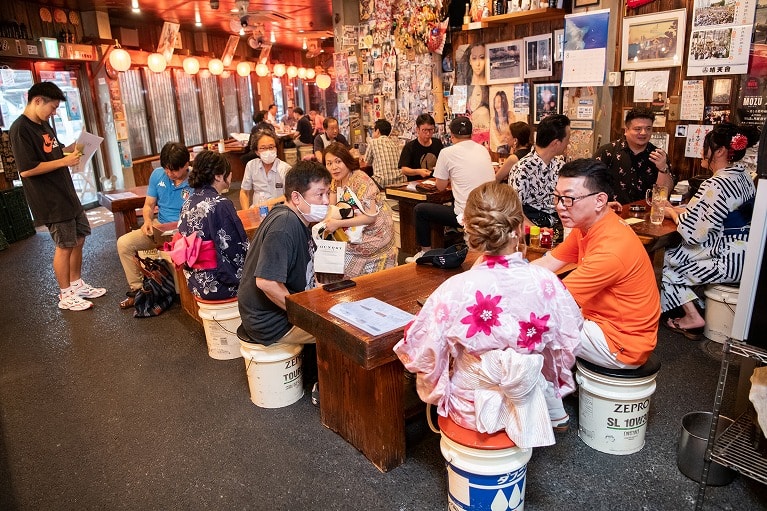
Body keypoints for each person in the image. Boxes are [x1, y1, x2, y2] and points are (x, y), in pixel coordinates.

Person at [394, 182, 583, 443]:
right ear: (519, 228)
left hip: (469, 408)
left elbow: (424, 354)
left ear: (470, 230)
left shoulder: (455, 289)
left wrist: (439, 388)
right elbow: (568, 340)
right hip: (526, 400)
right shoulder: (547, 283)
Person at [533, 158, 660, 369]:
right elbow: (549, 262)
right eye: (557, 197)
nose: (560, 207)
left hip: (622, 342)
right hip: (600, 322)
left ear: (600, 200)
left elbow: (556, 300)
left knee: (532, 325)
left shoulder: (611, 248)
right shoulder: (586, 225)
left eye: (569, 199)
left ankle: (542, 395)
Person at [9, 81, 106, 311]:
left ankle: (76, 284)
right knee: (64, 245)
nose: (54, 112)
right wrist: (63, 161)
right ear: (37, 100)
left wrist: (77, 146)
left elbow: (55, 150)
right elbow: (26, 169)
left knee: (79, 237)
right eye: (52, 107)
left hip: (66, 193)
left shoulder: (44, 125)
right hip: (49, 199)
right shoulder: (20, 129)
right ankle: (65, 294)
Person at [661, 123, 759, 340]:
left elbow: (693, 231)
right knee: (681, 255)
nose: (701, 152)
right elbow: (709, 212)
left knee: (672, 260)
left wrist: (672, 213)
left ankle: (692, 316)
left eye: (705, 147)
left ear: (721, 151)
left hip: (729, 257)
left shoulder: (716, 184)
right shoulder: (744, 176)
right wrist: (679, 210)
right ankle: (698, 303)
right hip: (747, 253)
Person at [238, 160, 332, 345]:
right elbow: (266, 283)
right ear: (296, 197)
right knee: (346, 335)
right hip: (271, 323)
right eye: (320, 194)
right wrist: (305, 317)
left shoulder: (294, 218)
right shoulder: (284, 225)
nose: (327, 201)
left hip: (279, 312)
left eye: (328, 193)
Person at [406, 117, 495, 262]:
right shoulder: (483, 150)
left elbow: (440, 187)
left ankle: (425, 253)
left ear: (451, 135)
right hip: (490, 211)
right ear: (471, 134)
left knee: (420, 209)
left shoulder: (447, 153)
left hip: (465, 215)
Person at [116, 142, 191, 309]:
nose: (169, 173)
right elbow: (149, 205)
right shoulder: (158, 175)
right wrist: (148, 221)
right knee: (124, 243)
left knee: (180, 293)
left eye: (174, 169)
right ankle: (138, 291)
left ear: (186, 164)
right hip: (160, 227)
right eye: (166, 168)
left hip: (185, 233)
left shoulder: (196, 179)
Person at [177, 150, 249, 300]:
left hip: (195, 281)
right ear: (218, 175)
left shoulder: (188, 202)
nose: (231, 175)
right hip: (220, 283)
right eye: (228, 172)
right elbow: (237, 248)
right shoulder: (220, 204)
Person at [323, 143, 397, 278]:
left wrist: (338, 224)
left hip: (375, 231)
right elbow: (332, 209)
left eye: (338, 161)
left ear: (346, 160)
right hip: (352, 229)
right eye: (329, 163)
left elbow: (371, 217)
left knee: (339, 253)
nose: (334, 167)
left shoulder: (360, 179)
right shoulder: (335, 181)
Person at [593, 107, 674, 205]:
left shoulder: (658, 155)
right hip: (614, 212)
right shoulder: (607, 152)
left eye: (648, 128)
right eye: (638, 129)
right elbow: (590, 183)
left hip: (647, 213)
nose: (643, 133)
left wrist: (662, 168)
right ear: (626, 130)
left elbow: (664, 195)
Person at [508, 114, 570, 228]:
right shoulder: (522, 170)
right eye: (567, 139)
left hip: (560, 225)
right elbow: (515, 213)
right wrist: (539, 232)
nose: (568, 144)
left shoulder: (560, 165)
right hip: (534, 231)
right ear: (556, 143)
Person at [239, 131, 291, 210]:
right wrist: (246, 212)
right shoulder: (251, 165)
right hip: (256, 210)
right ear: (257, 152)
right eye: (263, 148)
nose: (268, 151)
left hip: (279, 211)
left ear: (276, 149)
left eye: (271, 147)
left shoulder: (285, 168)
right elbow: (244, 192)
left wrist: (268, 203)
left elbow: (290, 194)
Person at [398, 113, 444, 181]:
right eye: (424, 130)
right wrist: (418, 172)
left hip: (435, 182)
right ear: (417, 130)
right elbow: (404, 169)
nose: (428, 133)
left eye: (431, 130)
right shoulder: (410, 147)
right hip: (415, 185)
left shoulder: (437, 143)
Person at [363, 119, 406, 188]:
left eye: (374, 130)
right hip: (399, 180)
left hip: (381, 182)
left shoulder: (373, 142)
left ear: (377, 131)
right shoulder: (394, 143)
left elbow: (365, 163)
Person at [490, 90, 513, 155]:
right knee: (501, 151)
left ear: (504, 103)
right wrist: (508, 134)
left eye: (499, 102)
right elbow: (499, 139)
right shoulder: (494, 120)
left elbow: (514, 133)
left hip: (512, 144)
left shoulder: (510, 115)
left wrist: (504, 136)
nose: (496, 105)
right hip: (501, 147)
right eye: (495, 102)